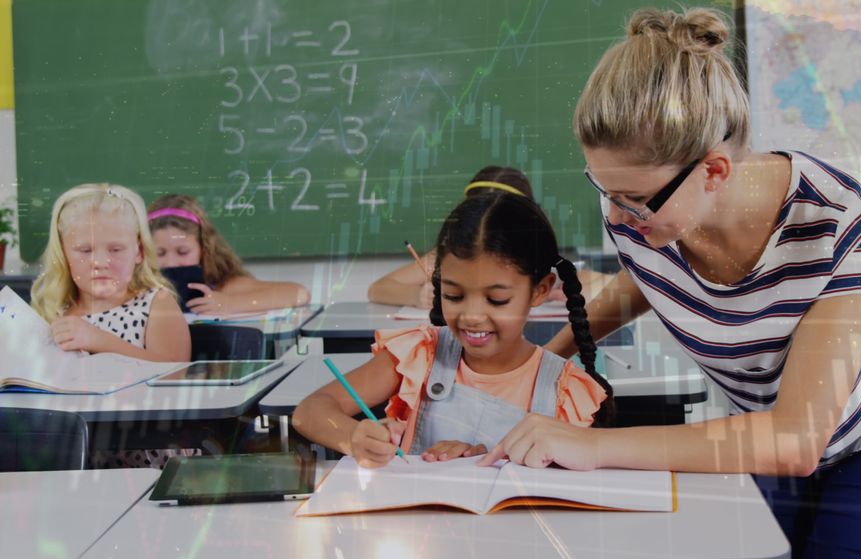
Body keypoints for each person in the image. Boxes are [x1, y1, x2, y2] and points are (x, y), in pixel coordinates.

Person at [479, 7, 861, 559]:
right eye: (605, 191)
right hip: (772, 418)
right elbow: (648, 273)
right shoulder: (644, 197)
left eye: (633, 202)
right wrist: (543, 365)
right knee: (747, 556)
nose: (616, 219)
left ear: (713, 171)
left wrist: (589, 447)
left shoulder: (837, 219)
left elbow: (795, 441)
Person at [293, 192, 614, 468]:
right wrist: (353, 437)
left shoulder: (564, 392)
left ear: (540, 290)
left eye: (497, 299)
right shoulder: (420, 355)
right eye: (453, 296)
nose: (471, 316)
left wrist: (485, 463)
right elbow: (309, 411)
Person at [367, 165, 613, 309]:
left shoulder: (536, 256)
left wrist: (587, 292)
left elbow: (615, 285)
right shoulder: (451, 256)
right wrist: (416, 296)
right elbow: (378, 289)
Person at [31, 183, 190, 362]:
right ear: (63, 253)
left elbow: (175, 371)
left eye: (115, 250)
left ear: (139, 252)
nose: (100, 263)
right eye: (85, 250)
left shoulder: (156, 304)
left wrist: (99, 340)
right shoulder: (52, 311)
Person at [148, 194, 311, 314]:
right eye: (159, 254)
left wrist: (228, 303)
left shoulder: (220, 286)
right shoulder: (140, 289)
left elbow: (299, 293)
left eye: (183, 252)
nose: (171, 262)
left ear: (204, 248)